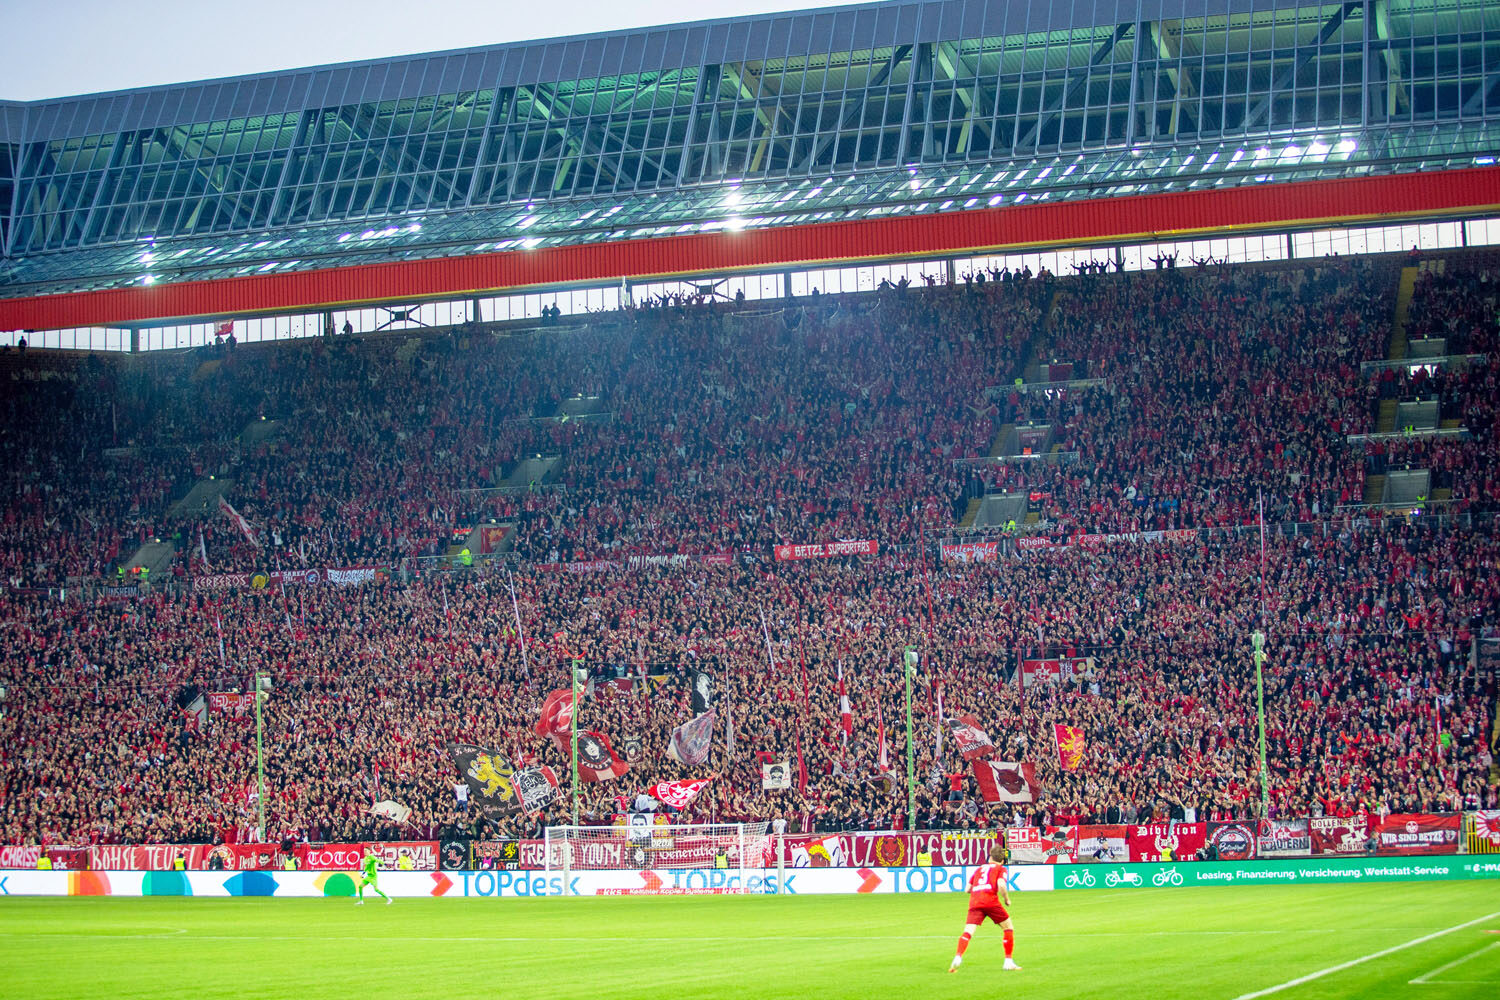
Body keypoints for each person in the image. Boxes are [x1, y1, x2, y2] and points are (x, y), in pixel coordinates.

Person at [950, 844, 1020, 973]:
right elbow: (1001, 885)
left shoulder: (980, 869)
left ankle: (958, 956)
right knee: (1008, 927)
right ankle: (1008, 961)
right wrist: (1006, 899)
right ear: (1002, 861)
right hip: (991, 901)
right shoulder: (1001, 868)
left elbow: (967, 889)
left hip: (975, 902)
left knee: (968, 931)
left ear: (989, 858)